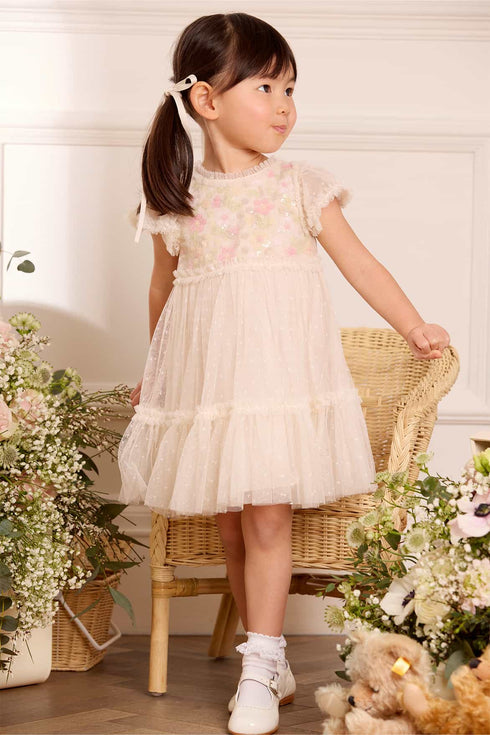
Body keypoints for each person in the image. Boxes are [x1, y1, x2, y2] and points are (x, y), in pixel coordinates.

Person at [117, 12, 450, 735]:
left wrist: (413, 324)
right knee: (235, 529)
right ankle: (266, 656)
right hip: (213, 394)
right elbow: (162, 295)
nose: (284, 106)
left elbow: (361, 263)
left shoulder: (300, 186)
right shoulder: (176, 200)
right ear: (207, 100)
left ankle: (259, 668)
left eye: (290, 89)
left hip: (279, 391)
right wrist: (157, 373)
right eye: (265, 88)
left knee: (268, 517)